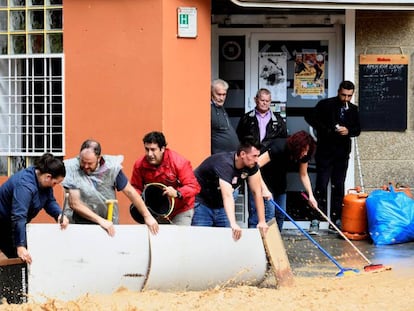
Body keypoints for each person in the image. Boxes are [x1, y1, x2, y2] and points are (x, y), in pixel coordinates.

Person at [62, 139, 159, 236]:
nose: (86, 166)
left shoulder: (111, 167)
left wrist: (147, 216)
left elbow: (130, 192)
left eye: (90, 163)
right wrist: (100, 221)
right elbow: (74, 203)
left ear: (99, 158)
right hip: (78, 223)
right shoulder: (71, 168)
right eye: (83, 162)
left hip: (108, 222)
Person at [305, 80, 361, 230]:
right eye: (343, 95)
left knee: (338, 185)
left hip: (342, 152)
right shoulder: (326, 104)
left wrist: (348, 130)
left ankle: (336, 219)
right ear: (338, 91)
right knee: (321, 185)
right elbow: (310, 117)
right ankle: (316, 219)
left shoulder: (354, 109)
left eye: (349, 96)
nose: (346, 99)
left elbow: (358, 129)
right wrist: (326, 129)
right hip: (325, 151)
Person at [192, 136, 269, 241]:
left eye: (258, 156)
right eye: (254, 156)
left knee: (227, 239)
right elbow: (227, 196)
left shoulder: (251, 165)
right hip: (202, 202)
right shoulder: (224, 164)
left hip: (220, 204)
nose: (257, 160)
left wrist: (262, 221)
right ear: (242, 154)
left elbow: (257, 192)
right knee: (201, 239)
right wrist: (233, 223)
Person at [0, 153, 68, 264]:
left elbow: (49, 201)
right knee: (21, 258)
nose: (54, 186)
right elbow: (19, 216)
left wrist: (59, 214)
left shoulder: (43, 180)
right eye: (55, 183)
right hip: (4, 223)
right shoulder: (25, 185)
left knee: (26, 258)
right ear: (48, 177)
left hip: (13, 225)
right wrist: (20, 245)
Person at [236, 88, 288, 230]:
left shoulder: (278, 120)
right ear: (256, 100)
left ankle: (276, 241)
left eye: (267, 101)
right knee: (256, 207)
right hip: (253, 165)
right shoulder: (247, 119)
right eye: (262, 100)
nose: (264, 103)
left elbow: (283, 144)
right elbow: (240, 141)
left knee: (276, 211)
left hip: (274, 169)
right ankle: (255, 238)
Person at [248, 131, 318, 232]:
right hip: (261, 180)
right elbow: (255, 167)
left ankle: (276, 242)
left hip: (279, 183)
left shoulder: (304, 155)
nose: (305, 153)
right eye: (303, 150)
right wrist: (264, 189)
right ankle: (261, 243)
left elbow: (303, 174)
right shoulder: (279, 147)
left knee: (281, 214)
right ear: (296, 146)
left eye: (308, 151)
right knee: (268, 214)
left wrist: (311, 195)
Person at [131, 131, 200, 225]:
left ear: (162, 148)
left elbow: (194, 186)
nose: (149, 154)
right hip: (155, 210)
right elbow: (135, 187)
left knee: (179, 239)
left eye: (153, 149)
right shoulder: (139, 165)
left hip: (180, 210)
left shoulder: (179, 162)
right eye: (147, 149)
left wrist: (177, 193)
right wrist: (140, 200)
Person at [211, 79, 239, 154]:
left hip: (230, 155)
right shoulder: (209, 109)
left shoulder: (221, 107)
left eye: (224, 94)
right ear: (212, 93)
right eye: (219, 94)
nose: (222, 98)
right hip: (220, 156)